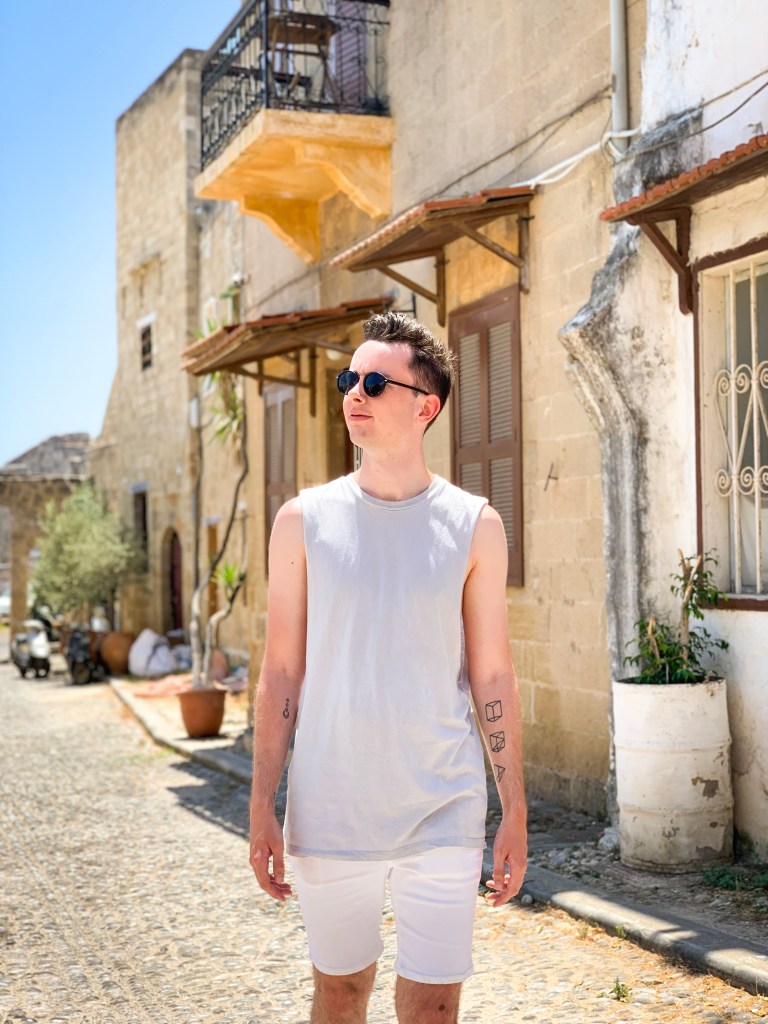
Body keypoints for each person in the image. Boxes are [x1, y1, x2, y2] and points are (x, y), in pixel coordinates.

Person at [249, 311, 527, 1024]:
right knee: (341, 994)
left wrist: (514, 808)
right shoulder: (301, 521)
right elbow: (281, 671)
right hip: (331, 807)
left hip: (443, 805)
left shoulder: (475, 525)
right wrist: (262, 803)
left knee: (434, 1006)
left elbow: (492, 676)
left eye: (375, 381)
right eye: (349, 379)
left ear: (425, 406)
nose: (354, 393)